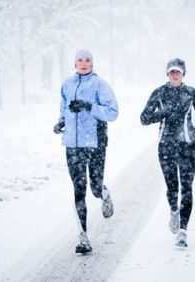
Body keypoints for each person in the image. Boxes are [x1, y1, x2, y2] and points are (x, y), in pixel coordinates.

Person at [53, 49, 119, 254]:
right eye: (79, 60)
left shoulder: (100, 84)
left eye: (87, 60)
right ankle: (83, 237)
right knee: (78, 190)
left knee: (95, 187)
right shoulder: (67, 84)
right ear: (74, 64)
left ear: (92, 63)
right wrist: (60, 122)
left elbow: (113, 113)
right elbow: (64, 108)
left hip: (96, 143)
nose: (83, 63)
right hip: (73, 145)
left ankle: (104, 194)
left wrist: (89, 106)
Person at [140, 58, 195, 247]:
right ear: (167, 74)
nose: (175, 75)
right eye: (171, 72)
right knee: (172, 188)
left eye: (178, 71)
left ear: (183, 73)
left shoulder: (190, 92)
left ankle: (183, 231)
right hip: (166, 146)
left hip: (187, 146)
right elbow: (143, 118)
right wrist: (162, 113)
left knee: (187, 188)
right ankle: (174, 210)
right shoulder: (159, 92)